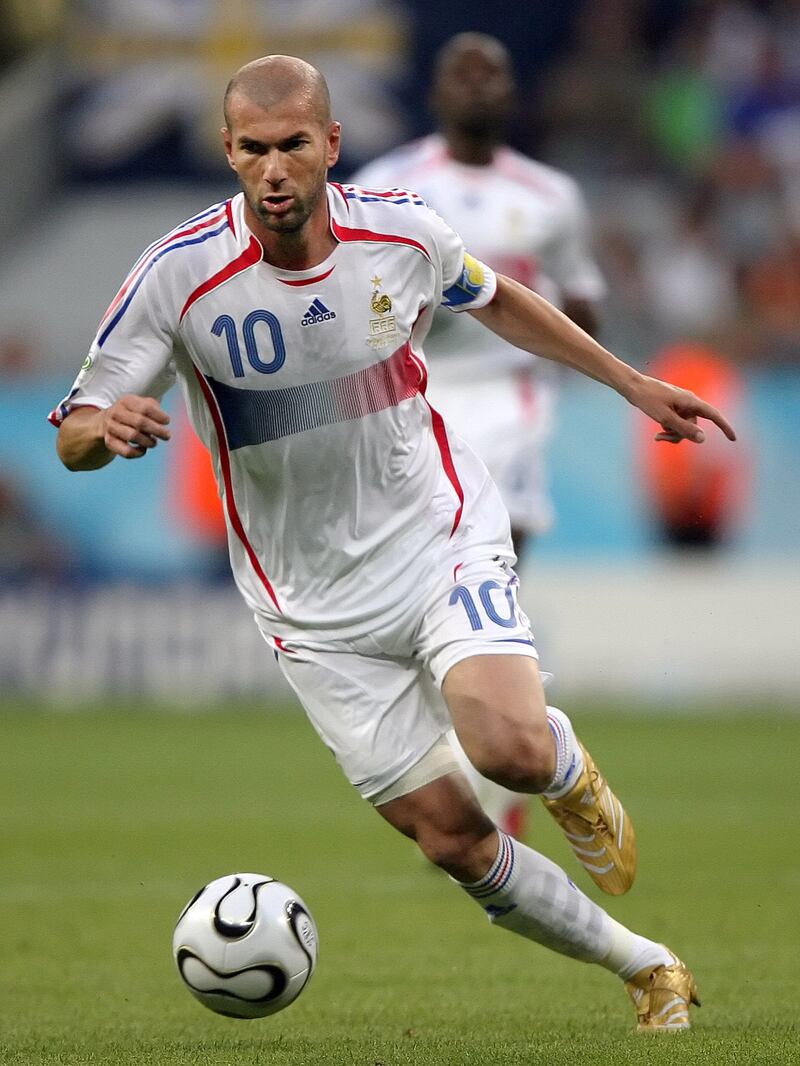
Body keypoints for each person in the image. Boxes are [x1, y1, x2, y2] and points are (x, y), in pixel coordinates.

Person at [51, 55, 735, 1031]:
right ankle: (644, 966)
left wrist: (629, 383)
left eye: (294, 145)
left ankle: (562, 766)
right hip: (308, 608)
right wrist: (103, 431)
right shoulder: (177, 276)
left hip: (432, 534)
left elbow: (496, 298)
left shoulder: (399, 229)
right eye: (254, 149)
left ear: (329, 144)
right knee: (450, 837)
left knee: (505, 746)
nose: (275, 169)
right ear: (228, 151)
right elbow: (74, 424)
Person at [352, 32, 606, 840]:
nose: (476, 86)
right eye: (461, 73)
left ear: (510, 94)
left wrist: (566, 349)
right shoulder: (388, 183)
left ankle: (498, 781)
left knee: (498, 584)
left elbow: (582, 298)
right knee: (418, 592)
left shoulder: (552, 197)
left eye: (491, 73)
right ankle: (470, 762)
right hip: (416, 397)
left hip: (511, 397)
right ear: (435, 93)